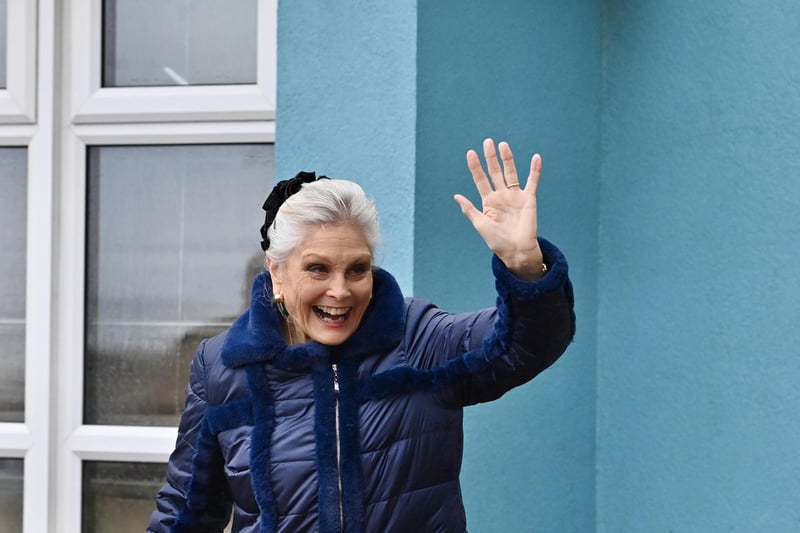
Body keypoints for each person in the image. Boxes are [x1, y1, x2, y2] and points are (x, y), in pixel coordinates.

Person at [148, 139, 576, 533]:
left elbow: (526, 342)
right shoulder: (224, 365)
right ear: (276, 271)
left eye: (357, 269)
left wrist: (524, 264)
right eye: (318, 268)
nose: (340, 290)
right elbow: (185, 511)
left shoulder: (417, 339)